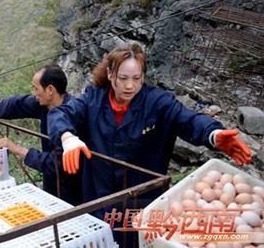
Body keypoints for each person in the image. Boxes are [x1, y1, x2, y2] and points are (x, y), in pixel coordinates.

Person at [48, 43, 253, 246]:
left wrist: (213, 134)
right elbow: (61, 114)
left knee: (135, 241)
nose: (130, 86)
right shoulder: (93, 98)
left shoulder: (158, 102)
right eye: (123, 78)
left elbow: (187, 119)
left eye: (137, 78)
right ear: (110, 74)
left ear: (143, 77)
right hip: (99, 196)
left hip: (142, 199)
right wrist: (68, 138)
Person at [0, 64, 82, 205]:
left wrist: (17, 149)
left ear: (50, 90)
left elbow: (58, 163)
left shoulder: (73, 116)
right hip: (52, 180)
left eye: (36, 88)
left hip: (74, 186)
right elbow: (15, 104)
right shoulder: (45, 104)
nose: (34, 93)